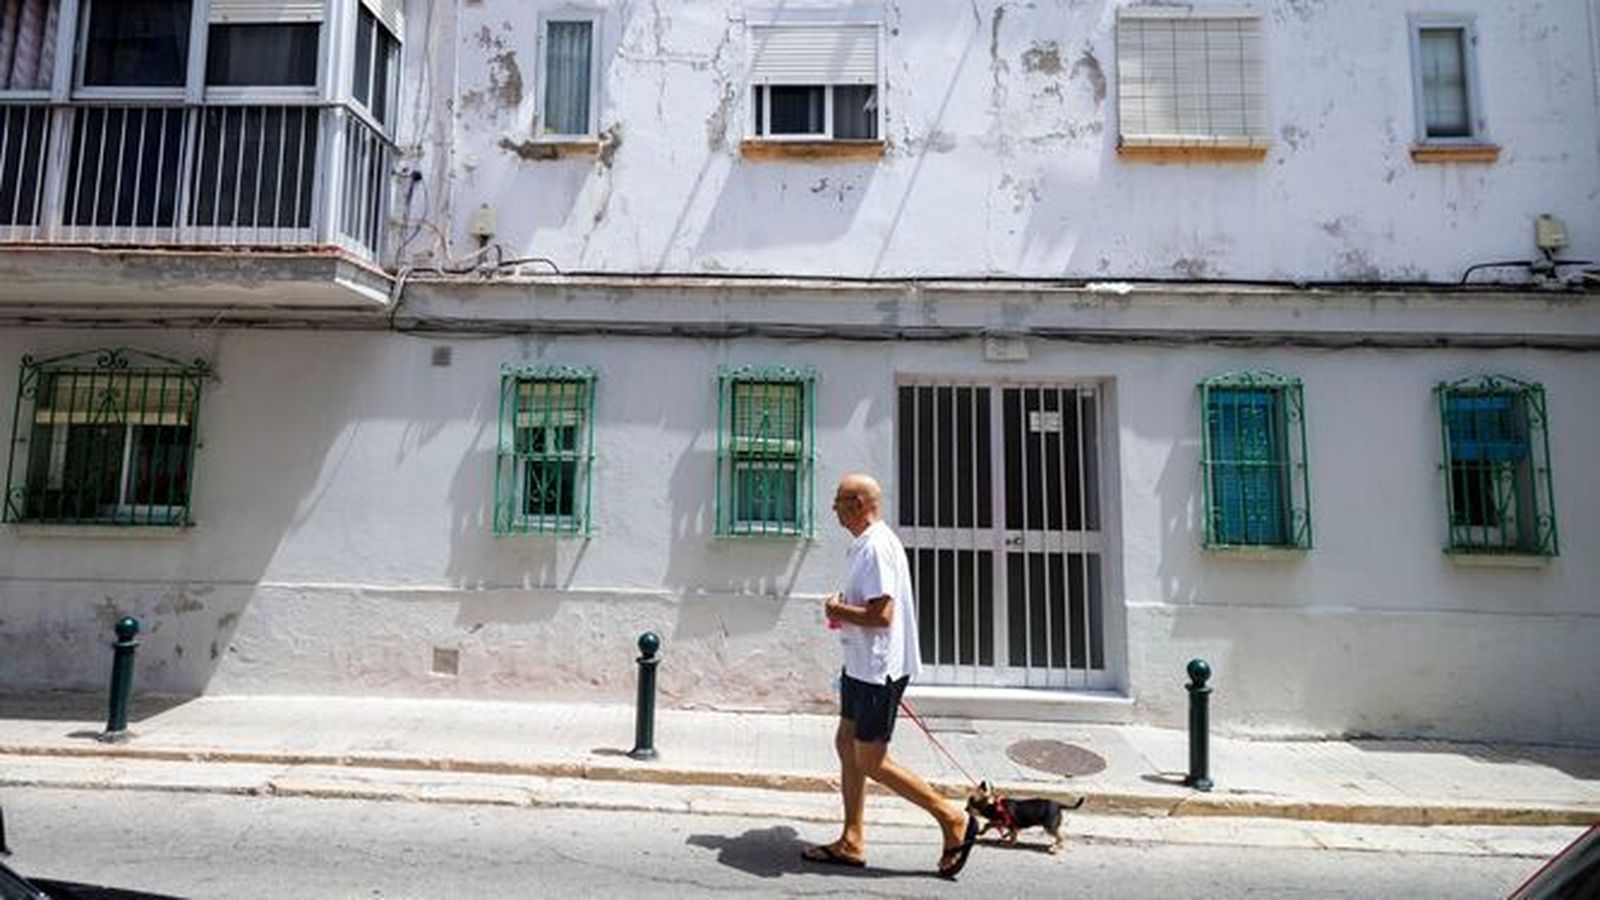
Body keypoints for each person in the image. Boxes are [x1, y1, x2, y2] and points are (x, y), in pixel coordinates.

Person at [800, 473, 979, 879]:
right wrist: (845, 610)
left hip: (879, 670)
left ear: (861, 502)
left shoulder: (877, 547)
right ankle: (851, 839)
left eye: (839, 499)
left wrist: (835, 609)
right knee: (847, 742)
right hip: (861, 666)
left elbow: (882, 616)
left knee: (871, 759)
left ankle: (951, 818)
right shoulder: (864, 545)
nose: (833, 508)